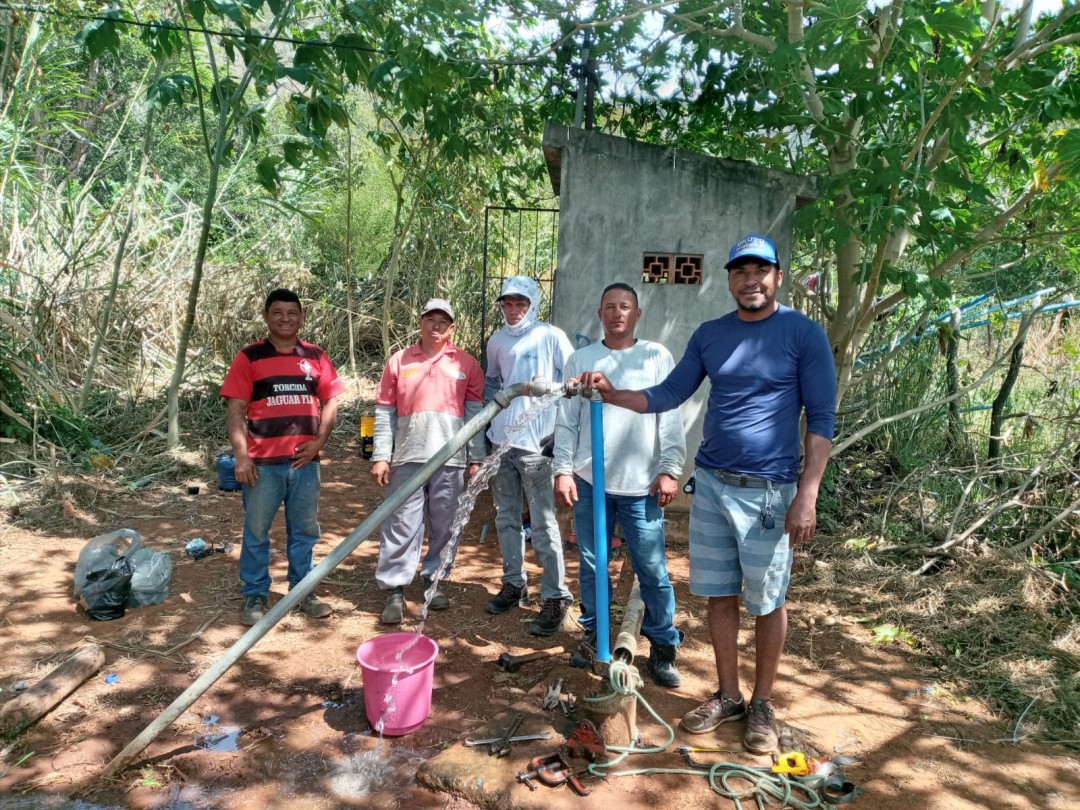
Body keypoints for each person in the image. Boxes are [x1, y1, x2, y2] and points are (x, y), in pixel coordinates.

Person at [581, 234, 836, 754]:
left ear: (777, 277)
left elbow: (822, 420)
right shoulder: (711, 335)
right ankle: (728, 694)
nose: (751, 280)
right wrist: (613, 395)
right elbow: (669, 394)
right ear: (729, 280)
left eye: (760, 271)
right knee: (719, 594)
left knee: (767, 601)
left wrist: (806, 494)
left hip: (770, 491)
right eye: (741, 272)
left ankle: (762, 703)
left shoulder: (803, 335)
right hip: (714, 484)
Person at [553, 282, 686, 686]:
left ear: (637, 314)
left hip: (640, 484)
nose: (617, 313)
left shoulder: (656, 357)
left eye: (624, 306)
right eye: (609, 306)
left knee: (651, 567)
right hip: (591, 479)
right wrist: (562, 468)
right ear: (599, 314)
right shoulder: (582, 358)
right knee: (593, 564)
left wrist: (670, 468)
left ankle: (663, 646)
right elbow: (567, 419)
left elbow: (671, 415)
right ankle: (597, 635)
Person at [222, 288, 345, 626]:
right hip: (262, 464)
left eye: (292, 312)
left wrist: (320, 441)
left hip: (304, 463)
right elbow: (236, 410)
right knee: (257, 531)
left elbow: (331, 401)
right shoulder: (249, 357)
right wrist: (241, 456)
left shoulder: (316, 356)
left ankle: (302, 591)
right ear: (266, 317)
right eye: (278, 312)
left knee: (305, 531)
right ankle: (255, 595)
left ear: (301, 316)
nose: (285, 318)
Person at [370, 298, 484, 624]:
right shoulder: (399, 361)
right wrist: (381, 456)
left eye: (443, 322)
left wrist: (475, 457)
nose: (436, 326)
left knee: (445, 524)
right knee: (401, 523)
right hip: (407, 455)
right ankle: (395, 589)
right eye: (430, 320)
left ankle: (434, 580)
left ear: (452, 327)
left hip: (451, 459)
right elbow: (384, 412)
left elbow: (476, 415)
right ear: (421, 322)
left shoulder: (466, 364)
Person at [484, 275, 575, 636]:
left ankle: (555, 596)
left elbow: (571, 385)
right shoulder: (496, 341)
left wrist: (547, 392)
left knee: (543, 524)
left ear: (533, 304)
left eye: (520, 303)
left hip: (537, 446)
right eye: (507, 303)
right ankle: (514, 582)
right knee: (505, 517)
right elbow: (493, 383)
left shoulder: (550, 336)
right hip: (501, 442)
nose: (513, 309)